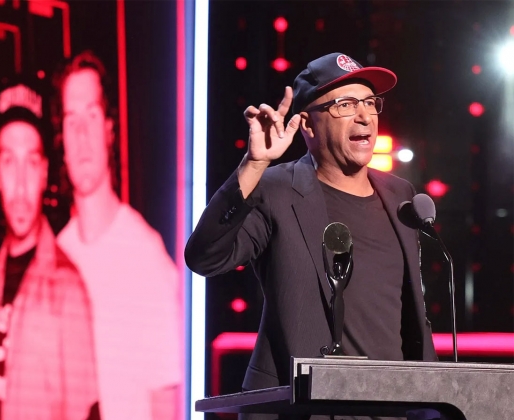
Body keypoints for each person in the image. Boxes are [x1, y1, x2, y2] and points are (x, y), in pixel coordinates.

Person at [185, 53, 438, 420]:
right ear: (307, 123)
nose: (365, 116)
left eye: (370, 103)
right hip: (304, 408)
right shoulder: (276, 191)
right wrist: (254, 165)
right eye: (345, 105)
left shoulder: (401, 196)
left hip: (393, 406)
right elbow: (206, 257)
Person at [53, 51, 182, 420]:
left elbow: (166, 406)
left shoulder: (145, 256)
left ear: (109, 128)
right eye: (70, 119)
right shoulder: (56, 255)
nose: (80, 134)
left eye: (91, 116)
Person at [0, 84, 99, 420]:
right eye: (9, 162)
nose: (20, 186)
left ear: (44, 173)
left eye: (31, 163)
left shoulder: (67, 288)